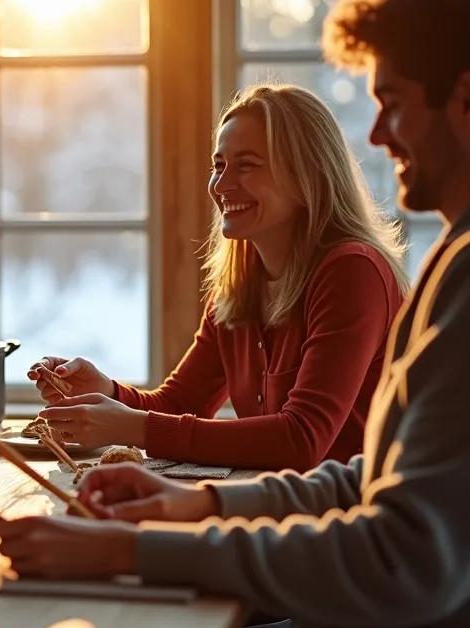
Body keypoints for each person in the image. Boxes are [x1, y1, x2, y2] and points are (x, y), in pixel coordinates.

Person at [0, 0, 470, 628]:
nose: (375, 135)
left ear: (469, 102)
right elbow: (376, 479)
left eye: (392, 104)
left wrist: (133, 549)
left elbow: (402, 553)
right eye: (219, 164)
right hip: (350, 627)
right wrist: (198, 500)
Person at [30, 84, 409, 472]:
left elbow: (301, 440)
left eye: (246, 165)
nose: (221, 185)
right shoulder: (238, 287)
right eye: (219, 166)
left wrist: (133, 427)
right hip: (277, 501)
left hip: (356, 507)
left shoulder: (353, 272)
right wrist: (107, 392)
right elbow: (179, 405)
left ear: (306, 175)